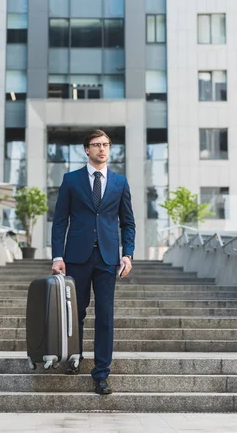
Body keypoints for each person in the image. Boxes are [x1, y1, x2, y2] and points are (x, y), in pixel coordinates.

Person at [51, 129, 136, 395]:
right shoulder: (71, 180)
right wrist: (57, 255)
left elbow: (128, 223)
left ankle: (101, 373)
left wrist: (128, 253)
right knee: (76, 312)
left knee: (105, 317)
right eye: (97, 145)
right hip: (77, 257)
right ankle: (74, 356)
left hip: (108, 258)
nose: (102, 149)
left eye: (106, 145)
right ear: (86, 149)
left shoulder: (120, 182)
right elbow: (60, 221)